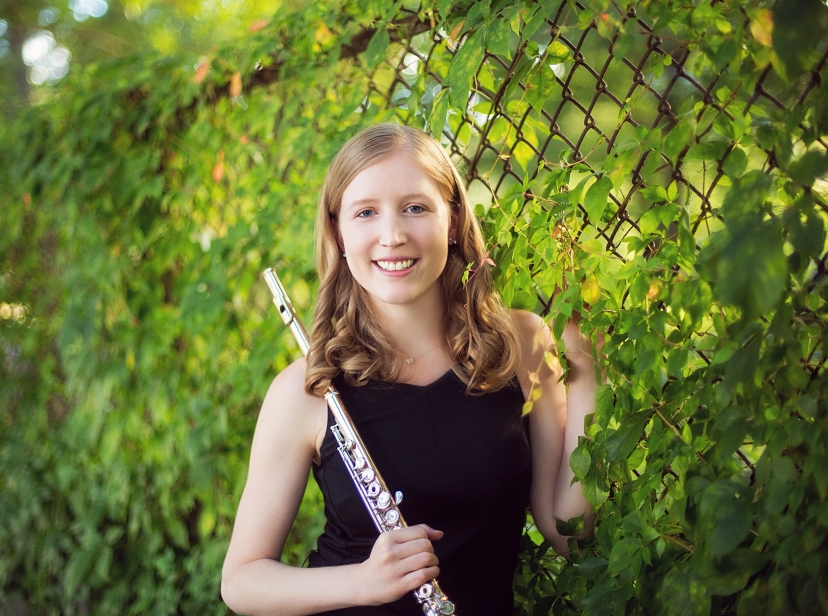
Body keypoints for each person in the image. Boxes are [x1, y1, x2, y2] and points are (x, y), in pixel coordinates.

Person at [221, 123, 597, 615]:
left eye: (416, 208)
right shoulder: (307, 390)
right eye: (366, 213)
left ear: (454, 220)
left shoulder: (521, 344)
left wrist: (587, 372)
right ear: (338, 231)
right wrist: (362, 582)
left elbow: (570, 534)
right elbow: (242, 581)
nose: (393, 235)